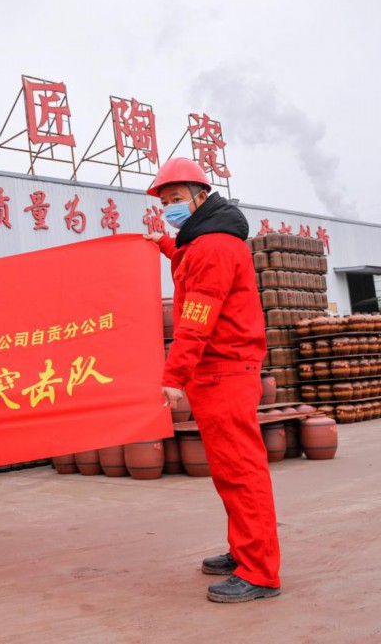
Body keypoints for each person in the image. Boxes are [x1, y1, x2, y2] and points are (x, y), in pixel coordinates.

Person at [144, 158, 280, 603]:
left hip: (225, 371)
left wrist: (173, 375)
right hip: (218, 371)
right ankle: (244, 551)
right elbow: (191, 266)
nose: (169, 208)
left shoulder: (214, 247)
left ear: (201, 197)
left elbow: (196, 318)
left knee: (241, 473)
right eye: (164, 202)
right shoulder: (203, 242)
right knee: (229, 472)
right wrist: (164, 244)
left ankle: (259, 573)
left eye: (176, 199)